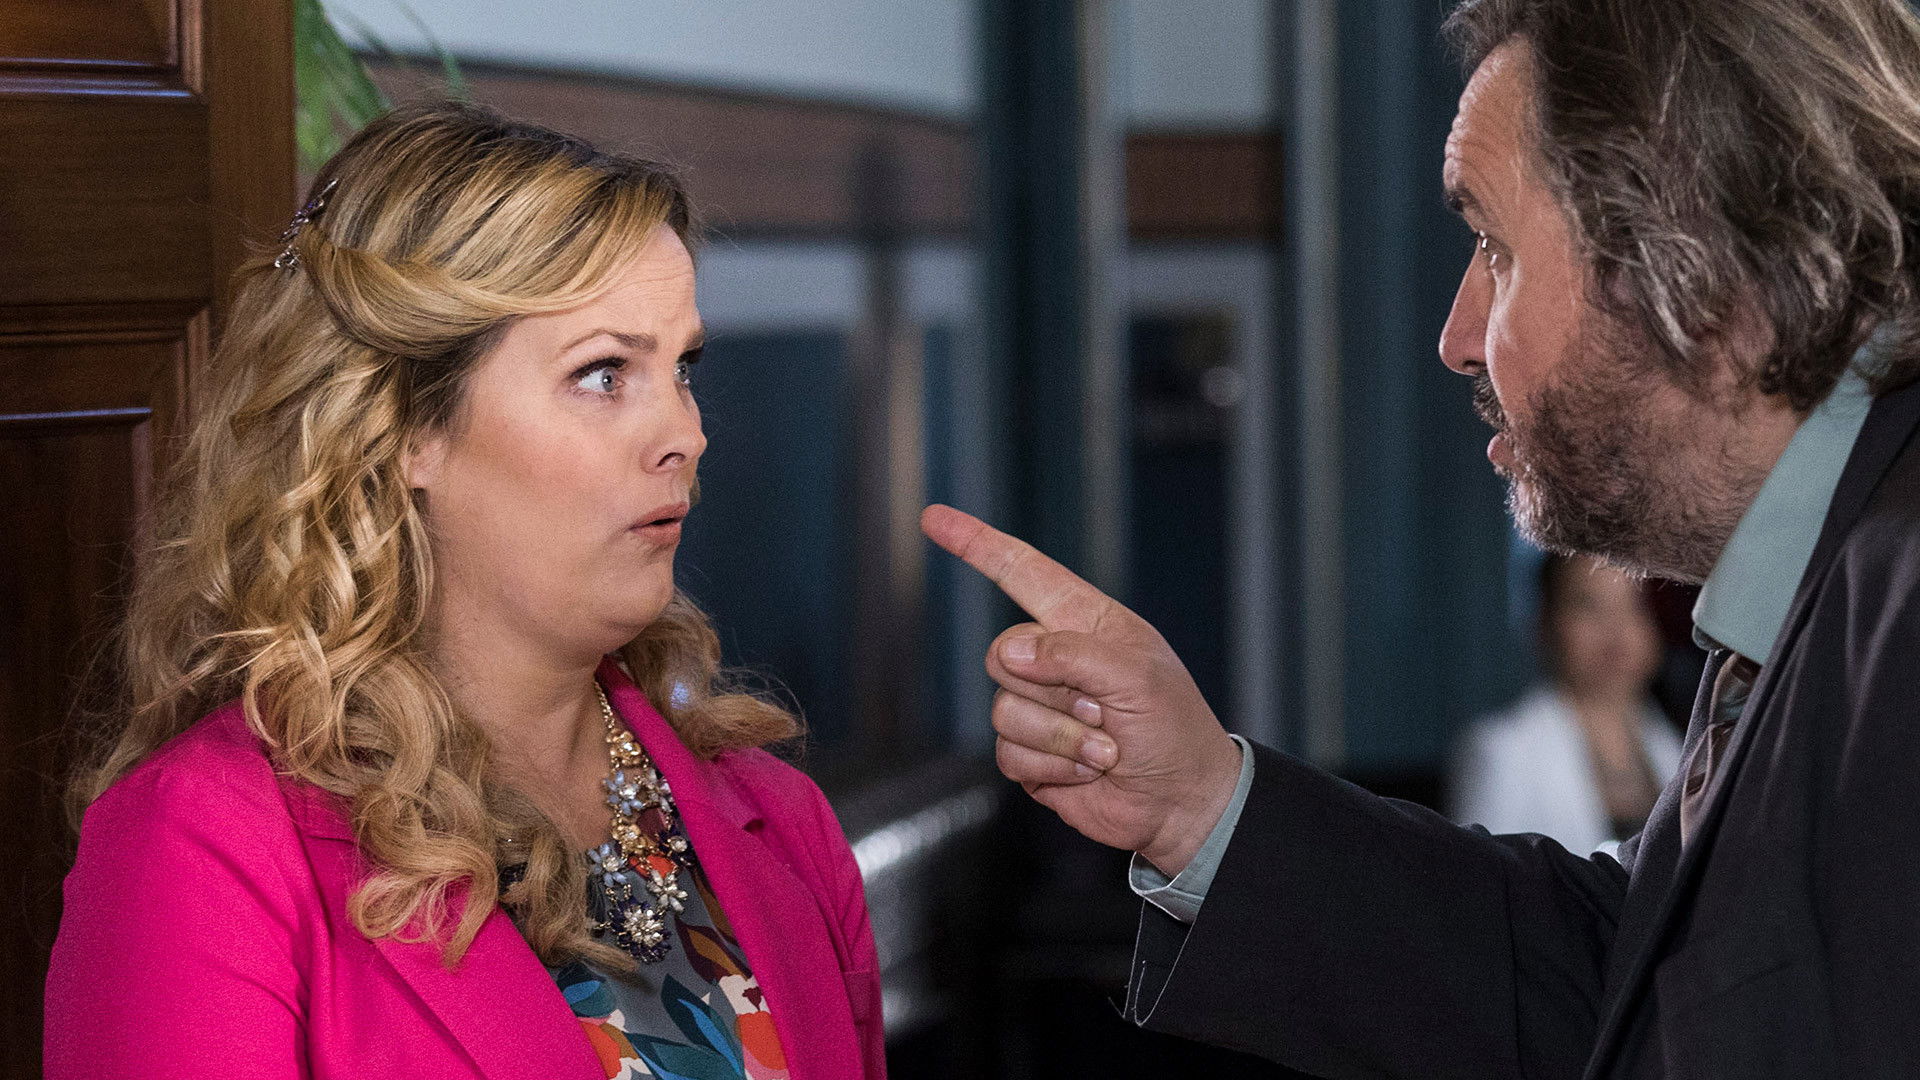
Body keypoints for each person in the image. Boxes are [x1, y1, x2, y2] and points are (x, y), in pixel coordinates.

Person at [921, 0, 1920, 1074]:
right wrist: (1202, 803)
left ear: (1699, 267)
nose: (1456, 338)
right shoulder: (1818, 584)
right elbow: (1619, 988)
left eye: (1495, 248)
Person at [45, 102, 883, 1080]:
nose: (686, 435)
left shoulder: (784, 822)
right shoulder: (204, 850)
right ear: (406, 428)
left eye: (682, 368)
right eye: (603, 374)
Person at [1448, 553, 1682, 855]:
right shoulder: (1501, 750)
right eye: (1588, 606)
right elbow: (1481, 875)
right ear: (1544, 622)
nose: (1617, 631)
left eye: (1634, 606)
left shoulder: (1675, 744)